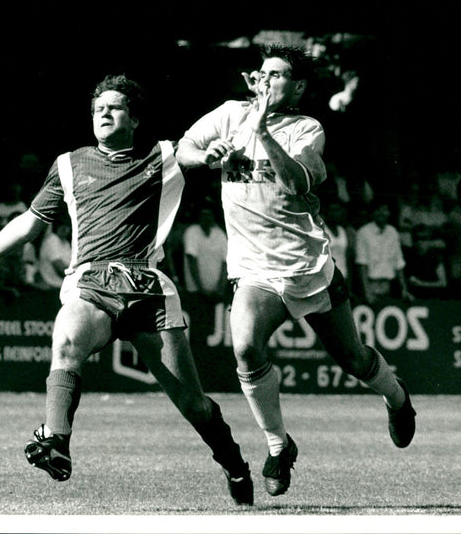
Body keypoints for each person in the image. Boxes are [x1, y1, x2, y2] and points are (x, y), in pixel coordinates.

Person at [0, 74, 253, 505]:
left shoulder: (162, 156)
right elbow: (30, 223)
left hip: (147, 289)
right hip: (91, 281)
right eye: (97, 108)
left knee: (193, 405)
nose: (103, 113)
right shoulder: (68, 164)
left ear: (135, 119)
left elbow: (194, 149)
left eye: (115, 107)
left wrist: (214, 154)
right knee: (66, 339)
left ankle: (235, 464)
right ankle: (57, 443)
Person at [177, 44, 416, 498]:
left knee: (354, 360)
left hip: (307, 267)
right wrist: (208, 158)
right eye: (263, 73)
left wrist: (262, 128)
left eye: (279, 74)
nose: (267, 80)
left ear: (299, 86)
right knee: (245, 349)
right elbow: (184, 147)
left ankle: (397, 397)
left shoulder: (308, 128)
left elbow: (294, 180)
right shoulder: (228, 114)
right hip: (253, 268)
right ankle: (278, 445)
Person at [355, 199, 414, 304]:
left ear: (389, 213)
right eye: (378, 210)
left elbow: (399, 263)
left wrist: (404, 290)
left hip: (389, 286)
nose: (381, 213)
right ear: (373, 213)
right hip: (370, 286)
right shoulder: (363, 232)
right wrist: (367, 292)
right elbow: (362, 265)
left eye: (384, 210)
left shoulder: (393, 232)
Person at [183, 204, 229, 300]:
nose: (206, 218)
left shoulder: (220, 234)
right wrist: (201, 289)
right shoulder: (192, 232)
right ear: (199, 216)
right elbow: (192, 260)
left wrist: (221, 287)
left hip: (216, 293)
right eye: (203, 215)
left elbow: (225, 262)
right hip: (195, 292)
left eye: (209, 215)